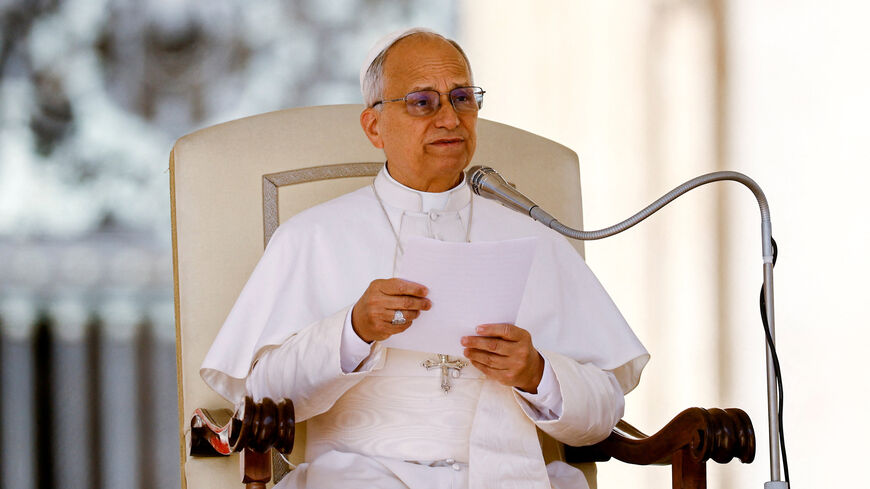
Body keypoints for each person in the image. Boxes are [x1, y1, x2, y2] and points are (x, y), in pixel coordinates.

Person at [201, 28, 649, 489]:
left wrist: (537, 373)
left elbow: (602, 416)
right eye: (422, 101)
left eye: (461, 98)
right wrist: (352, 330)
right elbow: (260, 402)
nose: (450, 119)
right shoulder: (311, 237)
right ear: (374, 126)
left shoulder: (534, 238)